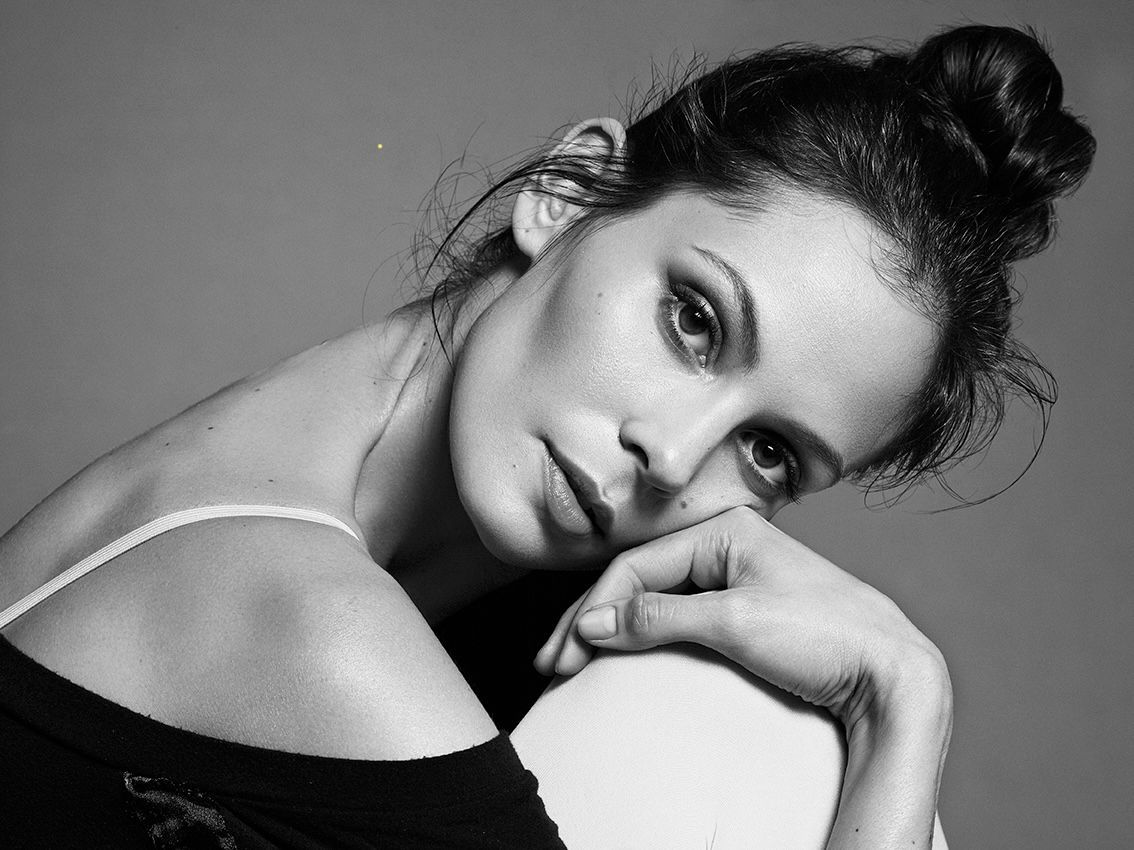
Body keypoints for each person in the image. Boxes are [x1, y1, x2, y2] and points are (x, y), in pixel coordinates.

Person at [0, 22, 1093, 849]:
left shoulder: (284, 474)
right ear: (567, 193)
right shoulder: (314, 625)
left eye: (768, 453)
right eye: (694, 320)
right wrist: (901, 698)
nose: (672, 456)